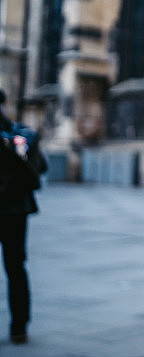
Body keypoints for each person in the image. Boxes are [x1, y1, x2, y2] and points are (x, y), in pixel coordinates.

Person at [0, 89, 47, 344]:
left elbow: (37, 174)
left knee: (16, 267)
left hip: (13, 209)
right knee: (16, 267)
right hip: (15, 211)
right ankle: (19, 326)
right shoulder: (24, 134)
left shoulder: (23, 136)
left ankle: (19, 325)